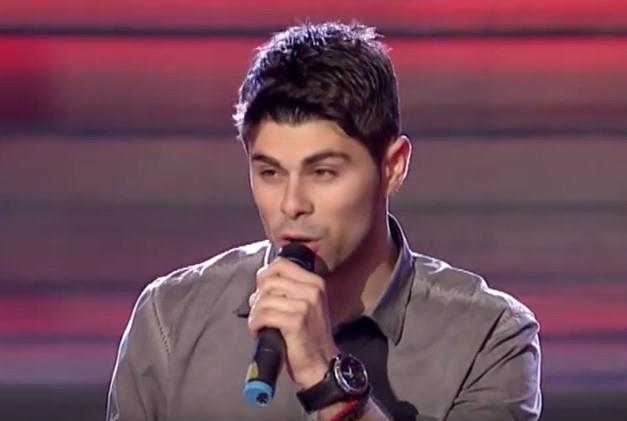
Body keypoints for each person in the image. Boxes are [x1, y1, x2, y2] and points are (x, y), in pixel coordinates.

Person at [106, 21, 542, 421]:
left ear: (392, 167)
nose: (292, 204)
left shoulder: (488, 338)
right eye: (270, 172)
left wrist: (325, 378)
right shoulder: (170, 321)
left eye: (323, 172)